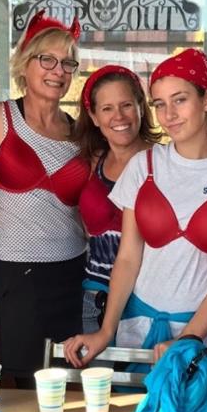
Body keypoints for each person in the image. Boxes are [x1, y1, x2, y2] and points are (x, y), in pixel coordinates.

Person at [63, 49, 207, 382]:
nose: (169, 114)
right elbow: (127, 258)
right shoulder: (144, 165)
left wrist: (189, 339)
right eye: (159, 104)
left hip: (206, 341)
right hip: (137, 332)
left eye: (180, 100)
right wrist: (106, 330)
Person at [0, 10, 89, 388]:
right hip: (18, 272)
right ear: (25, 64)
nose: (59, 70)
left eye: (67, 63)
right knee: (28, 383)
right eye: (48, 60)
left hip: (73, 270)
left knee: (71, 379)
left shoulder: (78, 133)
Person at [71, 65, 161, 334]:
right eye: (107, 108)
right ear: (94, 116)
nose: (118, 116)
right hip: (94, 296)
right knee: (96, 376)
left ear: (141, 108)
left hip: (149, 299)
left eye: (126, 105)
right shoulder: (90, 163)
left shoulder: (164, 161)